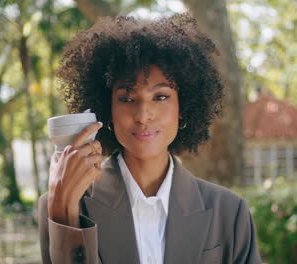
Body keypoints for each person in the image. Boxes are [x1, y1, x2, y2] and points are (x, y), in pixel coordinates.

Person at [38, 13, 262, 264]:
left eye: (161, 97)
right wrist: (63, 216)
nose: (143, 115)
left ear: (183, 107)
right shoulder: (62, 203)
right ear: (107, 110)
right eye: (127, 98)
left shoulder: (230, 212)